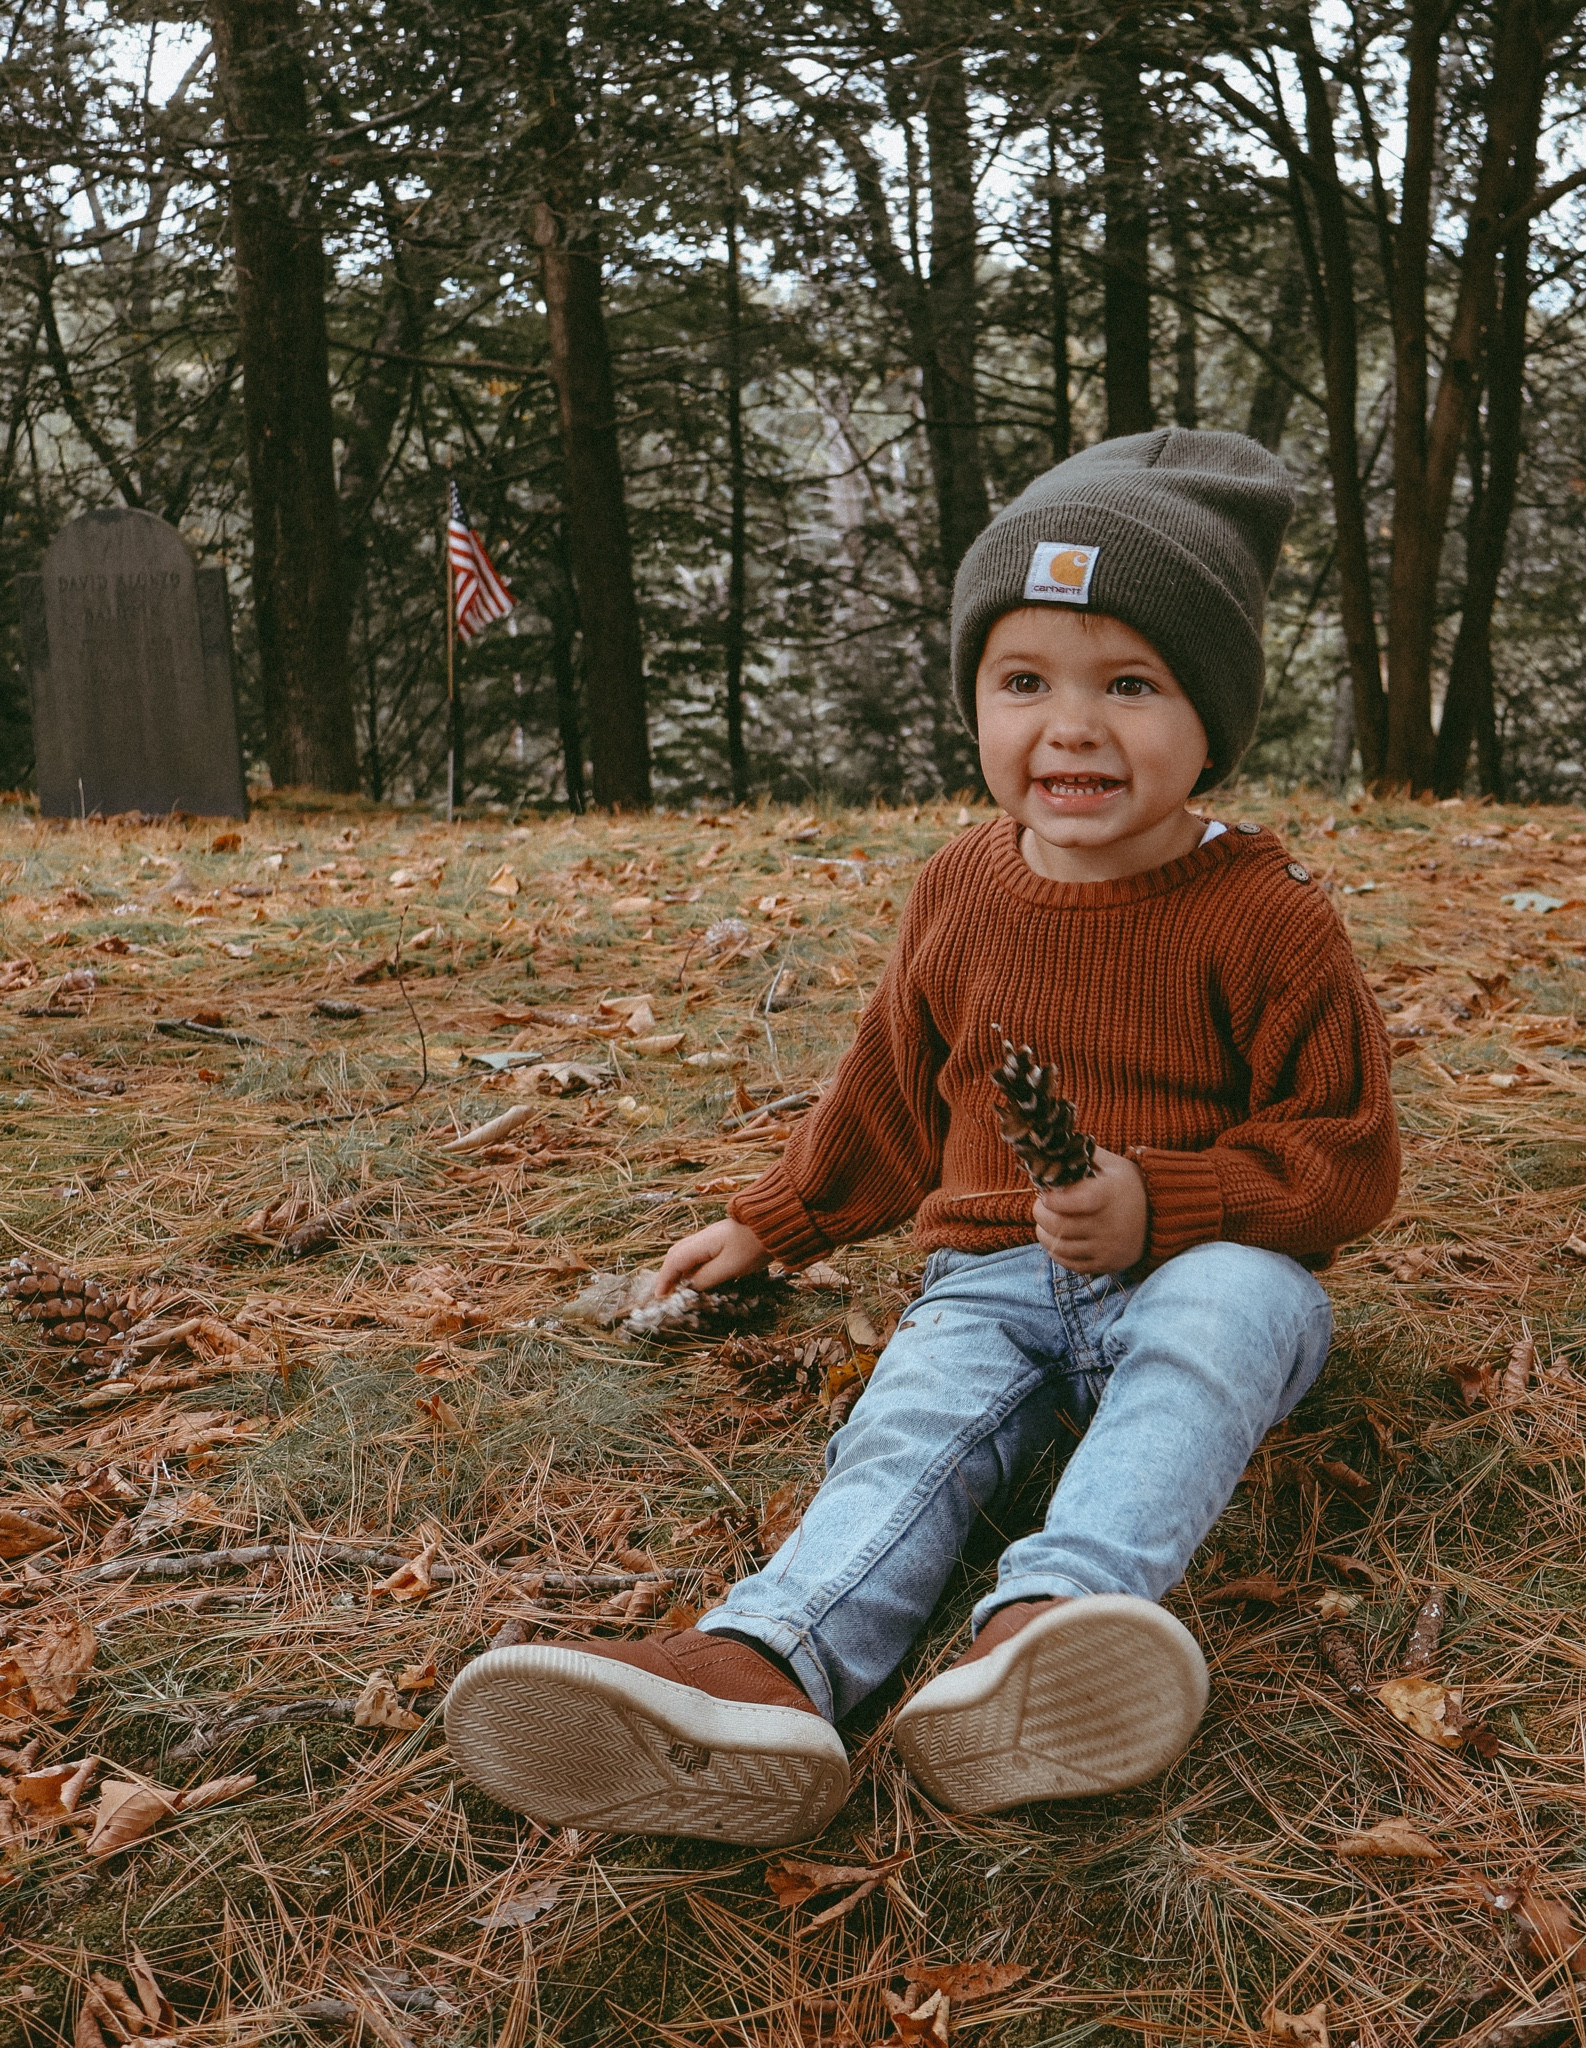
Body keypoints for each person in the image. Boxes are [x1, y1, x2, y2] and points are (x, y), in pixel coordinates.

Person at [445, 429, 1400, 1846]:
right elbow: (894, 1089)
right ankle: (763, 1669)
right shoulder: (963, 885)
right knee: (907, 1432)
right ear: (977, 702)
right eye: (1024, 683)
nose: (1069, 729)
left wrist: (1169, 1203)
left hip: (1211, 1266)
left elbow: (1348, 1155)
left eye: (1128, 685)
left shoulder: (1266, 917)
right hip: (993, 1279)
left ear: (1212, 715)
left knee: (1219, 1324)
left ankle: (1050, 1629)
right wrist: (774, 1220)